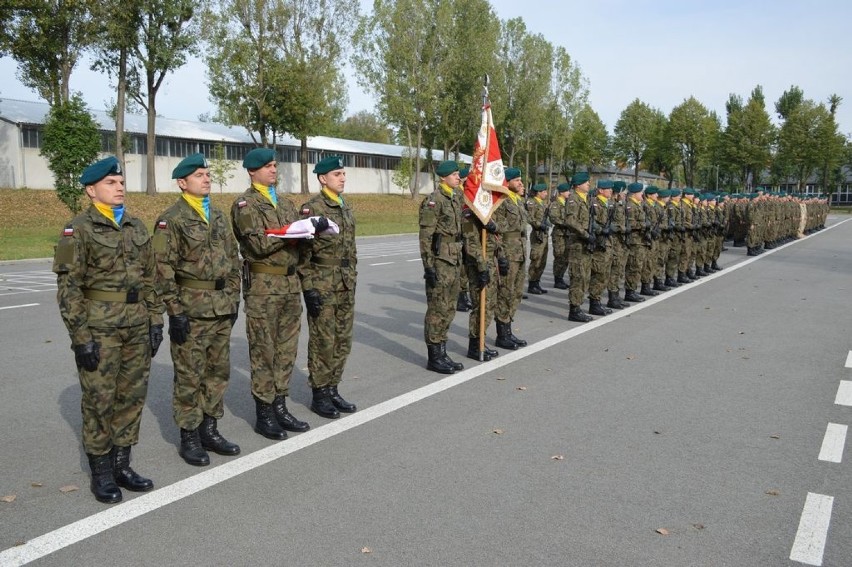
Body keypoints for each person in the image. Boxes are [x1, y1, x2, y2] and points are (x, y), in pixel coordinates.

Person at [53, 155, 162, 503]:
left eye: (120, 182)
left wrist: (156, 319)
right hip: (100, 328)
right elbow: (68, 289)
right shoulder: (77, 230)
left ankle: (122, 464)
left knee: (131, 397)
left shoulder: (137, 225)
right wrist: (80, 338)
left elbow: (150, 277)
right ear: (91, 190)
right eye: (110, 183)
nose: (119, 187)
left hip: (136, 324)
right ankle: (101, 473)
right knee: (100, 401)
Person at [153, 153, 241, 466]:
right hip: (190, 309)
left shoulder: (218, 216)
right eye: (199, 175)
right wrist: (174, 311)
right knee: (190, 375)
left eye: (207, 174)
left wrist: (233, 297)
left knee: (218, 372)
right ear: (182, 182)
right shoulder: (170, 219)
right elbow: (161, 268)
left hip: (220, 307)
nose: (206, 178)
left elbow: (233, 259)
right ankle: (189, 436)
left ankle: (210, 429)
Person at [231, 147, 312, 441]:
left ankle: (280, 404)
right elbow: (258, 245)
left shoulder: (288, 204)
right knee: (264, 351)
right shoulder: (245, 205)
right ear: (252, 171)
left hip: (290, 286)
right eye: (267, 166)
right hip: (264, 288)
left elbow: (300, 247)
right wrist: (290, 232)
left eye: (275, 165)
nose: (273, 170)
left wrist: (304, 232)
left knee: (286, 350)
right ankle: (264, 412)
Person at [299, 155, 358, 418]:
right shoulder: (312, 209)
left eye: (343, 174)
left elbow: (351, 248)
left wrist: (353, 274)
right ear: (323, 179)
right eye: (337, 174)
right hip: (323, 283)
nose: (343, 178)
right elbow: (303, 254)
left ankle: (333, 387)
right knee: (323, 339)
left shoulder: (346, 206)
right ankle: (320, 393)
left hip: (345, 282)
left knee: (342, 339)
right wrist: (309, 287)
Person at [419, 160, 465, 374]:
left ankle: (442, 351)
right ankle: (434, 356)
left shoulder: (456, 198)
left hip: (454, 259)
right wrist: (428, 267)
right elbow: (426, 236)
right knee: (437, 308)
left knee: (449, 307)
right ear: (443, 177)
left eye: (458, 174)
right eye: (455, 174)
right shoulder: (434, 201)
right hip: (439, 261)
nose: (458, 177)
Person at [492, 167, 529, 347]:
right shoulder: (501, 201)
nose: (520, 182)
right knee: (505, 293)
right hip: (508, 251)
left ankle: (508, 329)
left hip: (520, 252)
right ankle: (502, 334)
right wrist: (500, 255)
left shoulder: (517, 201)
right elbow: (497, 232)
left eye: (520, 179)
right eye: (516, 180)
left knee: (516, 292)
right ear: (507, 182)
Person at [563, 172, 594, 322]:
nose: (589, 184)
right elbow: (570, 221)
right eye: (586, 182)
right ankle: (574, 310)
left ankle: (578, 307)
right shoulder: (573, 199)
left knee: (584, 276)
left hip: (584, 244)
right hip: (577, 243)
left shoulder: (585, 199)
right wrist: (585, 234)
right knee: (577, 277)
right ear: (578, 185)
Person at [588, 179, 614, 316]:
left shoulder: (608, 204)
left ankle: (597, 300)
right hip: (598, 243)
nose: (610, 191)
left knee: (604, 274)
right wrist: (600, 230)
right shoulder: (594, 204)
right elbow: (590, 221)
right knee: (598, 273)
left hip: (607, 243)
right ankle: (594, 303)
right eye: (608, 189)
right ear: (601, 190)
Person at [525, 183, 550, 295]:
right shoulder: (532, 203)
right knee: (536, 259)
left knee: (542, 260)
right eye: (544, 191)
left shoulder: (543, 204)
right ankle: (532, 283)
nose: (546, 193)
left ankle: (537, 282)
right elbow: (529, 217)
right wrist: (539, 224)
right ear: (538, 192)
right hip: (537, 234)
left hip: (544, 234)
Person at [455, 167, 474, 312]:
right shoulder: (458, 193)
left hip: (465, 232)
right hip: (459, 235)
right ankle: (461, 298)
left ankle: (464, 296)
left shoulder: (465, 192)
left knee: (466, 268)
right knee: (461, 268)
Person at [549, 183, 572, 289]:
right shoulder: (556, 204)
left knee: (566, 257)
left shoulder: (567, 204)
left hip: (567, 234)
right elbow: (554, 218)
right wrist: (565, 223)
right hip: (559, 234)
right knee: (559, 257)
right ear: (561, 192)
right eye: (567, 191)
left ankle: (561, 277)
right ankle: (557, 279)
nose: (569, 193)